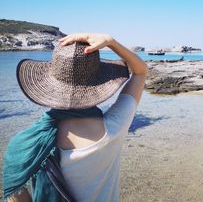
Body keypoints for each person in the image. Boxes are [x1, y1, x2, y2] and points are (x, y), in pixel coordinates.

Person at [3, 33, 148, 202]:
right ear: (99, 81)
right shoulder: (116, 126)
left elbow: (17, 198)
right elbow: (140, 72)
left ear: (49, 86)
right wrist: (110, 41)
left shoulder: (23, 145)